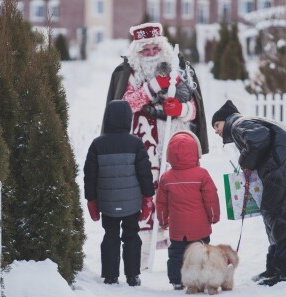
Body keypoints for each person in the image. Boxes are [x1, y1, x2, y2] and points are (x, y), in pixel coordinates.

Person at [104, 22, 209, 268]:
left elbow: (195, 110)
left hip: (176, 146)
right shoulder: (128, 74)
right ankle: (142, 261)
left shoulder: (179, 69)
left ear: (163, 48)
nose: (151, 53)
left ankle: (182, 259)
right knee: (144, 197)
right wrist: (153, 87)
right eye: (145, 50)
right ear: (136, 53)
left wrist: (181, 108)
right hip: (143, 147)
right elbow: (125, 105)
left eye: (155, 48)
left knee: (180, 199)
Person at [211, 100, 286, 286]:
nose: (216, 131)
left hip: (285, 167)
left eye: (216, 125)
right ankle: (274, 267)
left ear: (225, 120)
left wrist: (245, 162)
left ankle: (283, 269)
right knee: (275, 213)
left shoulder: (237, 124)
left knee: (280, 215)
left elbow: (259, 139)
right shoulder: (244, 122)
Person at [84, 100, 155, 286]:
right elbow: (145, 173)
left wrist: (91, 200)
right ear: (128, 119)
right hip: (132, 204)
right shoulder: (136, 143)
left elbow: (89, 175)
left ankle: (110, 275)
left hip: (107, 203)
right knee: (131, 236)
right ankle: (132, 276)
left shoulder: (97, 145)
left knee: (110, 235)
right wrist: (148, 197)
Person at [155, 130, 220, 290]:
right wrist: (213, 217)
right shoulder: (202, 175)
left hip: (177, 228)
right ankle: (202, 279)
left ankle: (177, 280)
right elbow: (211, 198)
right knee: (202, 253)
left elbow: (161, 203)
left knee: (177, 254)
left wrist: (163, 221)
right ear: (195, 153)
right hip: (200, 227)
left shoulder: (166, 178)